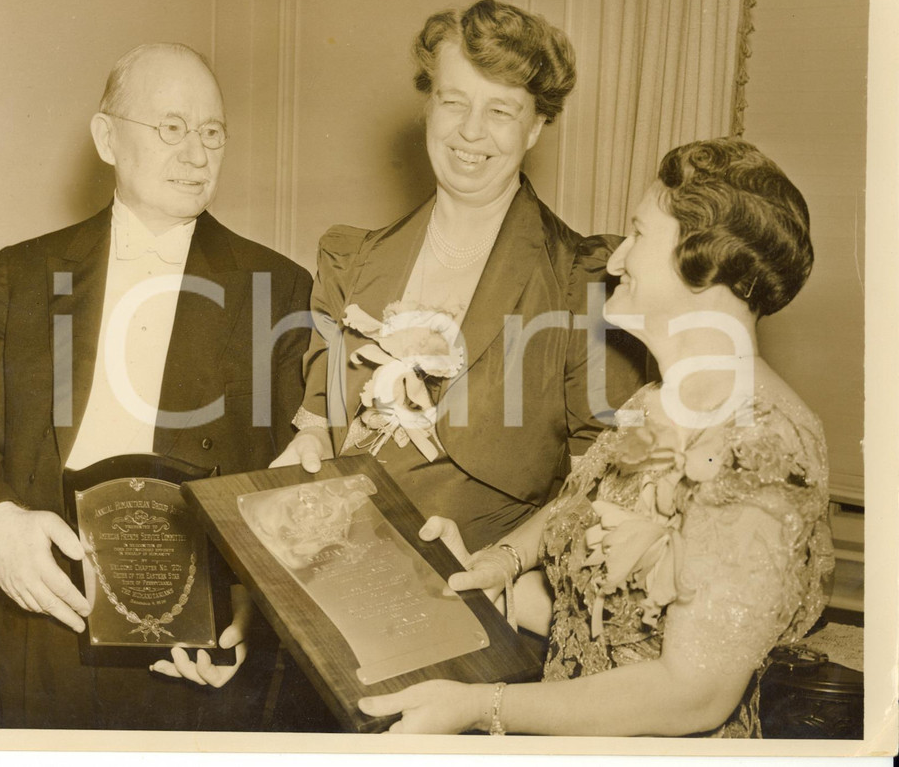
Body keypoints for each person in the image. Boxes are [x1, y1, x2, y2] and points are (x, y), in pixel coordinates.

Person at [357, 137, 835, 737]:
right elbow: (597, 596)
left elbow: (695, 694)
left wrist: (483, 706)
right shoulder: (653, 402)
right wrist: (497, 567)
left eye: (638, 235)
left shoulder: (763, 444)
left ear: (704, 262)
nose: (615, 261)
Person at [0, 43, 313, 729]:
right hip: (44, 620)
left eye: (212, 132)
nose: (197, 155)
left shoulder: (279, 288)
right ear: (107, 138)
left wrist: (257, 605)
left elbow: (295, 486)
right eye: (171, 128)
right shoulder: (22, 273)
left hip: (202, 642)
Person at [273, 0, 646, 554]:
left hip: (480, 590)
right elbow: (319, 426)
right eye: (454, 102)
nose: (471, 131)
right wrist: (309, 448)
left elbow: (602, 490)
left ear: (536, 126)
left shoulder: (585, 283)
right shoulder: (349, 262)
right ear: (428, 105)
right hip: (335, 570)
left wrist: (504, 565)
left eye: (501, 111)